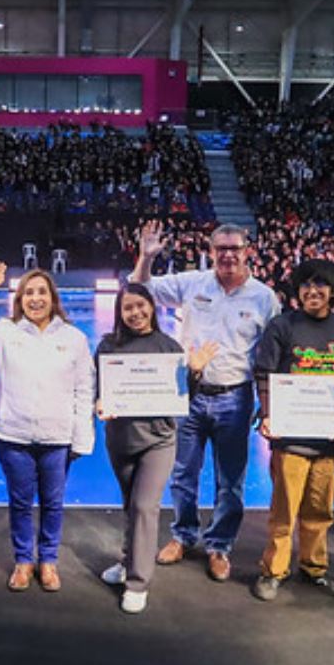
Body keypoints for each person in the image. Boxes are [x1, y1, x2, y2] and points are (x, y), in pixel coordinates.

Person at [131, 220, 279, 582]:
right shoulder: (192, 282)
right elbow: (139, 289)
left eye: (235, 248)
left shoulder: (264, 297)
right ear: (210, 252)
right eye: (221, 248)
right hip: (190, 394)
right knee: (183, 472)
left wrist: (270, 404)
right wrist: (146, 257)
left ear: (248, 252)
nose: (228, 255)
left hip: (236, 398)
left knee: (231, 480)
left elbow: (275, 353)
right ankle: (182, 535)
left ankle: (219, 545)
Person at [0, 261, 94, 591]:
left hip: (57, 437)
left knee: (53, 502)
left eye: (41, 292)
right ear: (19, 299)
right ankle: (23, 560)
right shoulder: (6, 333)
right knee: (20, 502)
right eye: (28, 293)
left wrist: (81, 438)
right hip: (13, 436)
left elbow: (84, 388)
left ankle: (48, 560)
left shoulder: (74, 338)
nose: (35, 298)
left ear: (53, 297)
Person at [95, 284, 214, 614]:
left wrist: (195, 371)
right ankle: (128, 560)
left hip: (159, 440)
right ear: (120, 312)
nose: (135, 313)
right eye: (128, 308)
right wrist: (99, 401)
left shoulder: (168, 346)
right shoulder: (108, 345)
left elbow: (182, 395)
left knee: (145, 507)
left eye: (140, 306)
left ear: (151, 306)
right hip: (121, 439)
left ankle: (137, 581)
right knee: (130, 506)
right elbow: (99, 387)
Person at [251, 260, 334, 604]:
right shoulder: (281, 326)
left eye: (320, 285)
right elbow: (265, 373)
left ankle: (314, 568)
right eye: (306, 286)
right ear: (297, 291)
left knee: (320, 510)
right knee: (283, 511)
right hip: (291, 437)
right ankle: (273, 571)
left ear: (333, 290)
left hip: (328, 440)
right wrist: (268, 415)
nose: (313, 292)